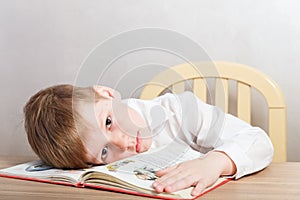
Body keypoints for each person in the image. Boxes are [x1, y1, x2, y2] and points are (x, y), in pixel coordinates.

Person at [23, 84, 274, 196]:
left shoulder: (180, 111)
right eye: (103, 153)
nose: (121, 144)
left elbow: (259, 141)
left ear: (106, 93)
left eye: (108, 122)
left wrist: (214, 163)